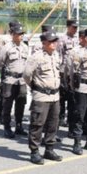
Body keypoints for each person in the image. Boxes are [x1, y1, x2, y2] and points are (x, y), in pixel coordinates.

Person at [25, 31, 64, 165]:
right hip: (41, 95)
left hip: (55, 95)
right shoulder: (36, 57)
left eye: (55, 41)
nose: (54, 43)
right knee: (37, 124)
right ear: (44, 43)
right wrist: (36, 87)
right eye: (51, 41)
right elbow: (27, 75)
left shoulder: (56, 55)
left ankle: (49, 149)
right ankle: (34, 151)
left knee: (53, 123)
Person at [0, 22, 30, 138]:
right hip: (10, 80)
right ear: (13, 34)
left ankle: (19, 126)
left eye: (22, 34)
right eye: (18, 34)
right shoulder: (7, 47)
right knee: (7, 104)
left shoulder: (25, 47)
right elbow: (0, 63)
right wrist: (5, 75)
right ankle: (7, 127)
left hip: (21, 80)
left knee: (21, 103)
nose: (21, 36)